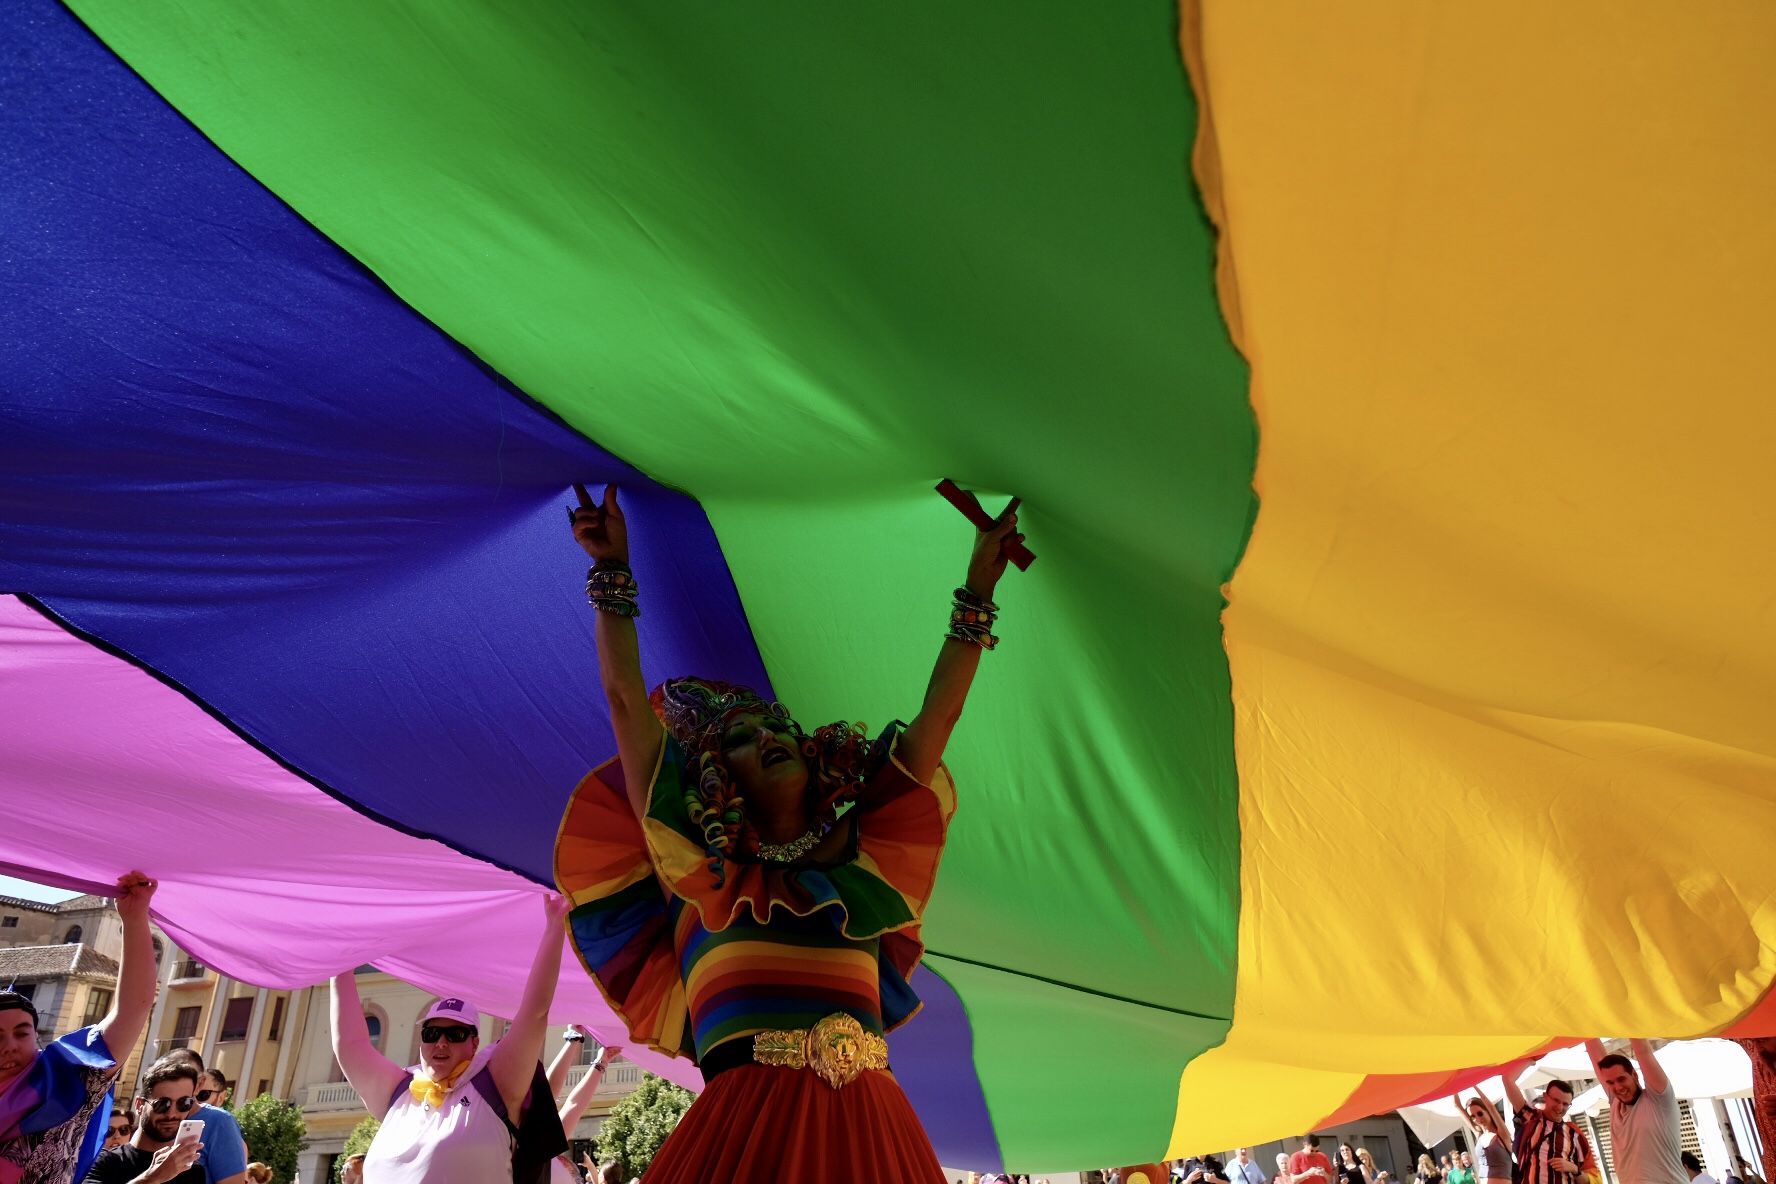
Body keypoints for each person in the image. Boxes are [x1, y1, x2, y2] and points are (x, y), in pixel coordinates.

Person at [555, 483, 1023, 1182]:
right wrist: (610, 572)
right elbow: (627, 702)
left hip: (875, 1134)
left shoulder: (860, 864)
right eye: (742, 738)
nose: (769, 735)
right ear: (718, 777)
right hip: (746, 1140)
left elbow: (938, 721)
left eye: (778, 727)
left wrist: (977, 589)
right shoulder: (693, 872)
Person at [330, 895, 568, 1182]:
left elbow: (534, 1014)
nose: (441, 1043)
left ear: (474, 1043)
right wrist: (338, 959)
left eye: (455, 1034)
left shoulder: (494, 1083)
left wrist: (555, 927)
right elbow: (350, 1044)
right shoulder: (399, 1090)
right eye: (432, 1034)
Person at [0, 872, 158, 1184]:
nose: (10, 1045)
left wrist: (134, 917)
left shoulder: (68, 1077)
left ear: (35, 1034)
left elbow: (134, 1008)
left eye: (21, 1032)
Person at [83, 1053, 208, 1183]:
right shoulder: (103, 1161)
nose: (172, 1114)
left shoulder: (193, 1171)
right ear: (139, 1105)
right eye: (162, 1104)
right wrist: (153, 1177)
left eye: (184, 1103)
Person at [1587, 1040, 1686, 1184]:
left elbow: (1643, 1052)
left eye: (1621, 1079)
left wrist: (1630, 1019)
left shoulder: (1659, 1099)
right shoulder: (1615, 1103)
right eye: (1610, 1083)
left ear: (1634, 1074)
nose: (1618, 1087)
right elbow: (1593, 1050)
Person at [159, 1050, 247, 1184]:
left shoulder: (219, 1122)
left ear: (200, 1083)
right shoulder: (152, 1115)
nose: (177, 1083)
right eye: (169, 1075)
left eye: (186, 1076)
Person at [1503, 1066, 1596, 1184]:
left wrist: (1574, 1169)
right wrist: (1531, 1060)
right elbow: (1507, 1080)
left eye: (1565, 1104)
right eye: (1556, 1100)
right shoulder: (1531, 1118)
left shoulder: (1574, 1134)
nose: (1560, 1107)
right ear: (1545, 1097)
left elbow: (1591, 1179)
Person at [1462, 1092, 1514, 1184]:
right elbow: (1456, 1106)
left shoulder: (1502, 1134)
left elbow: (1490, 1106)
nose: (1477, 1119)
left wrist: (1474, 1083)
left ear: (1488, 1111)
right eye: (1473, 1116)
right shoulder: (1479, 1135)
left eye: (1480, 1113)